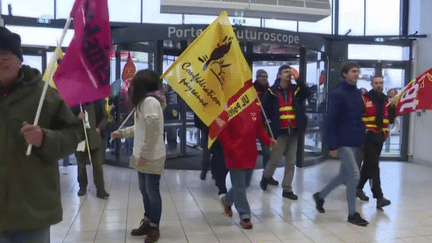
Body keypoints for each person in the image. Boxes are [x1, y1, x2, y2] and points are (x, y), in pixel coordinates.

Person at [0, 27, 82, 242]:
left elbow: (74, 134)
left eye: (5, 54)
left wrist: (45, 139)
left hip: (31, 209)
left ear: (19, 59)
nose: (0, 61)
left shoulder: (44, 96)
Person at [111, 69, 166, 243]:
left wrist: (145, 154)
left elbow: (152, 132)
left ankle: (154, 227)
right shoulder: (143, 102)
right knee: (144, 191)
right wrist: (123, 133)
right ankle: (148, 221)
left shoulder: (150, 102)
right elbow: (141, 128)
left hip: (151, 155)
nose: (131, 87)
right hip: (141, 154)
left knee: (152, 191)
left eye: (134, 83)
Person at [312, 62, 369, 226]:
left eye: (358, 71)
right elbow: (331, 121)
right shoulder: (337, 93)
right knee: (354, 175)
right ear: (344, 74)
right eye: (353, 71)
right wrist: (332, 145)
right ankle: (352, 213)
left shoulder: (357, 93)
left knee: (344, 175)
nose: (356, 74)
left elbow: (359, 114)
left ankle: (320, 196)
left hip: (355, 139)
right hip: (343, 141)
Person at [218, 101, 276, 229]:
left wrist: (267, 140)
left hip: (250, 153)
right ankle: (245, 215)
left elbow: (259, 127)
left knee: (245, 184)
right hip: (234, 153)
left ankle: (227, 200)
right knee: (239, 187)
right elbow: (222, 131)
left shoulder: (254, 106)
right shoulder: (227, 106)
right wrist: (230, 148)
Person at [260, 65, 311, 200]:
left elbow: (307, 93)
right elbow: (264, 111)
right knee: (275, 159)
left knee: (290, 161)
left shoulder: (296, 89)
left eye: (290, 72)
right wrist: (268, 128)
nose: (288, 74)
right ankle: (266, 176)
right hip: (280, 132)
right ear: (279, 75)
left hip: (294, 130)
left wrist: (298, 79)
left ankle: (287, 189)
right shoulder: (271, 92)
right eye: (285, 72)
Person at [356, 76, 395, 208]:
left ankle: (357, 188)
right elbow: (357, 118)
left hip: (380, 136)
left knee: (368, 165)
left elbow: (390, 120)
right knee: (374, 165)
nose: (379, 85)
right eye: (376, 83)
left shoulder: (386, 101)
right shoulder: (364, 99)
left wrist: (393, 107)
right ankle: (379, 197)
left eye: (381, 83)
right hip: (368, 136)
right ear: (372, 84)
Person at [72, 100, 110, 199]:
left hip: (95, 139)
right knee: (81, 166)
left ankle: (100, 189)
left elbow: (105, 117)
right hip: (80, 139)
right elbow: (67, 121)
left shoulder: (98, 101)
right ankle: (82, 187)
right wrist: (77, 118)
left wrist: (99, 128)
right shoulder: (74, 103)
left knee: (97, 165)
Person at [253, 69, 277, 185]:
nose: (264, 78)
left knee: (268, 152)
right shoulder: (251, 90)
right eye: (261, 76)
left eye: (266, 76)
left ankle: (267, 175)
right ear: (257, 77)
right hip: (251, 123)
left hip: (265, 125)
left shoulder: (270, 91)